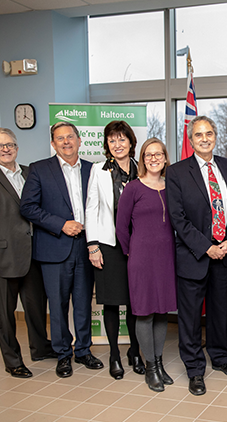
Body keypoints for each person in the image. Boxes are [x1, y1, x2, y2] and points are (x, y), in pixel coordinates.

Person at [0, 128, 54, 378]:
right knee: (4, 314)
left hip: (33, 254)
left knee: (36, 308)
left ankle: (41, 348)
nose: (5, 149)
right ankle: (12, 360)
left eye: (10, 144)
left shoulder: (30, 173)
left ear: (16, 147)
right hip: (0, 259)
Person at [166, 116, 227, 397]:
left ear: (215, 136)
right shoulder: (176, 172)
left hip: (224, 253)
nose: (204, 138)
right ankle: (195, 368)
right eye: (198, 135)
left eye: (209, 133)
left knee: (220, 310)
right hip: (194, 254)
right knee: (189, 316)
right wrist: (205, 246)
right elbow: (177, 217)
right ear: (191, 139)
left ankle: (220, 357)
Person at [20, 122, 103, 378]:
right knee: (57, 306)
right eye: (60, 138)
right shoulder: (39, 169)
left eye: (70, 137)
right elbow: (28, 207)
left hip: (86, 247)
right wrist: (61, 224)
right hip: (54, 247)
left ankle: (84, 350)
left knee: (82, 303)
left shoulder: (94, 169)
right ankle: (63, 354)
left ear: (79, 140)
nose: (66, 142)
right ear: (53, 144)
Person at [116, 138, 177, 392]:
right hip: (140, 258)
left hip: (167, 258)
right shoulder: (132, 188)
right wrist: (133, 253)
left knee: (162, 311)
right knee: (144, 312)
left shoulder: (172, 187)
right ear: (142, 158)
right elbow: (121, 228)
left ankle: (160, 364)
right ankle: (150, 367)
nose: (154, 158)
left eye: (158, 154)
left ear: (165, 158)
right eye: (148, 154)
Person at [85, 120, 144, 380]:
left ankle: (134, 351)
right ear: (106, 145)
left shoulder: (142, 169)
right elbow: (92, 208)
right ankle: (113, 355)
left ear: (131, 142)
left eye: (122, 139)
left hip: (138, 245)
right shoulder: (99, 170)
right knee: (111, 302)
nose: (117, 144)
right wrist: (93, 245)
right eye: (112, 140)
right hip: (108, 245)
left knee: (134, 303)